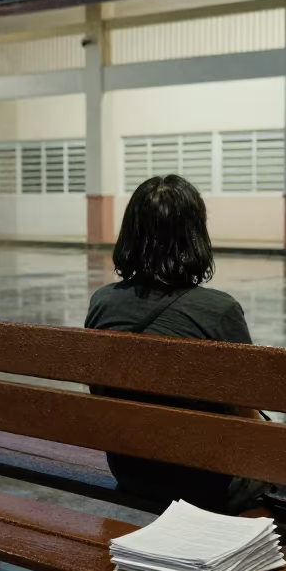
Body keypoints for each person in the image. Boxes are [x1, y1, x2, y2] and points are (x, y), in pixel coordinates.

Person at [85, 174, 268, 516]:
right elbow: (247, 413)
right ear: (196, 236)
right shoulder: (219, 310)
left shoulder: (103, 302)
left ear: (131, 233)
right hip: (208, 486)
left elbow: (100, 393)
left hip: (132, 473)